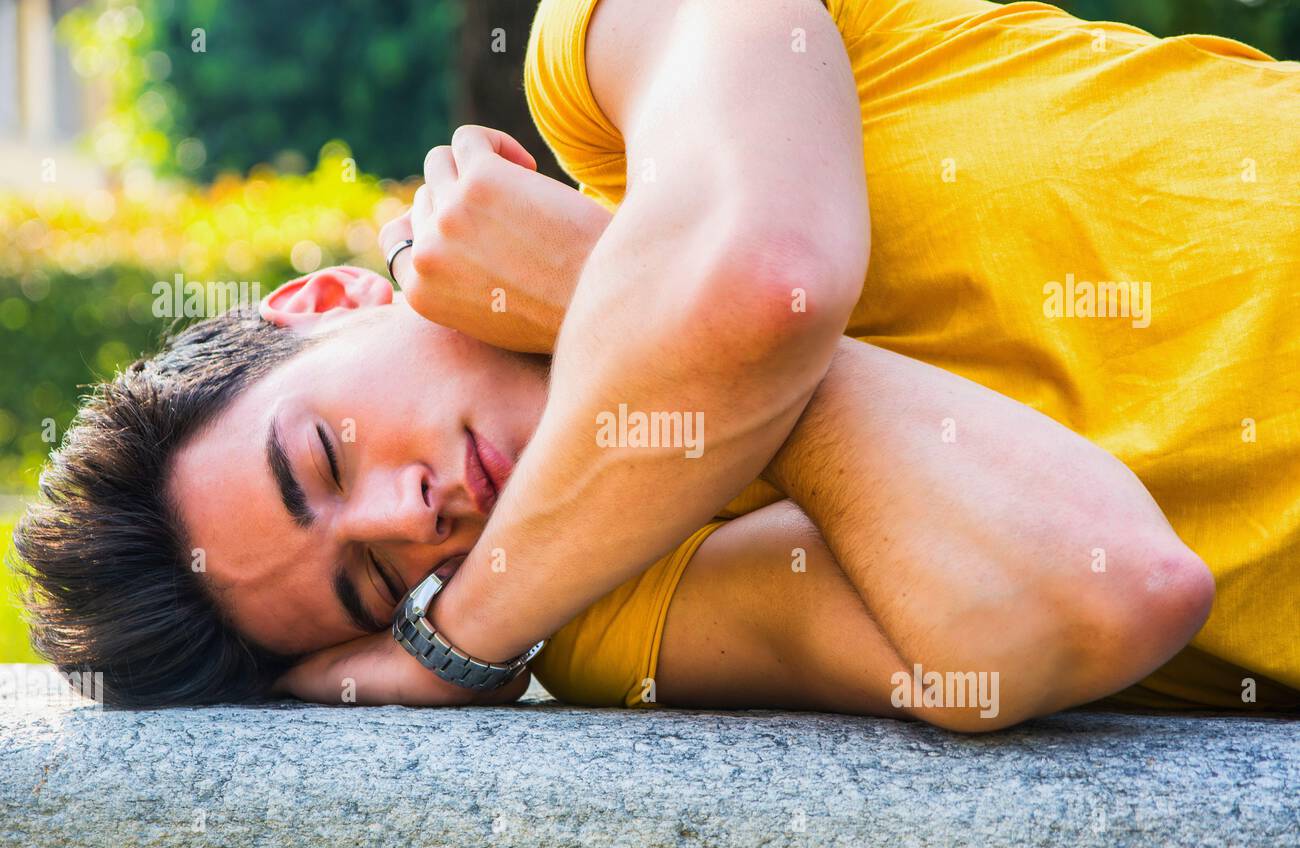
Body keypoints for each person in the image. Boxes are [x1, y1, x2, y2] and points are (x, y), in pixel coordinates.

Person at [16, 265, 1213, 731]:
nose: (407, 513)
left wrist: (611, 285)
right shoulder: (626, 617)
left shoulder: (616, 79)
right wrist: (646, 311)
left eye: (325, 456)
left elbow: (764, 265)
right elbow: (1117, 587)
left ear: (323, 303)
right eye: (379, 586)